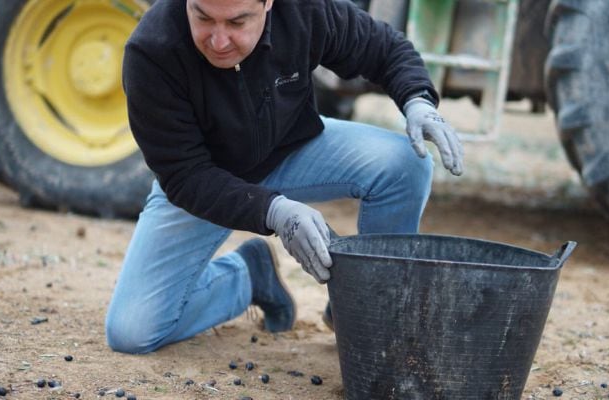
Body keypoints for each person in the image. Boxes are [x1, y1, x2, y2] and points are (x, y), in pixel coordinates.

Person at [105, 0, 463, 354]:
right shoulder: (151, 50)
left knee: (405, 164)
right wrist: (273, 211)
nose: (218, 40)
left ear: (269, 4)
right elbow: (183, 174)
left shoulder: (304, 9)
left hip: (292, 149)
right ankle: (248, 275)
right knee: (132, 331)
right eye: (203, 18)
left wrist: (418, 100)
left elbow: (384, 47)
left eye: (237, 22)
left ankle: (367, 310)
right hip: (204, 178)